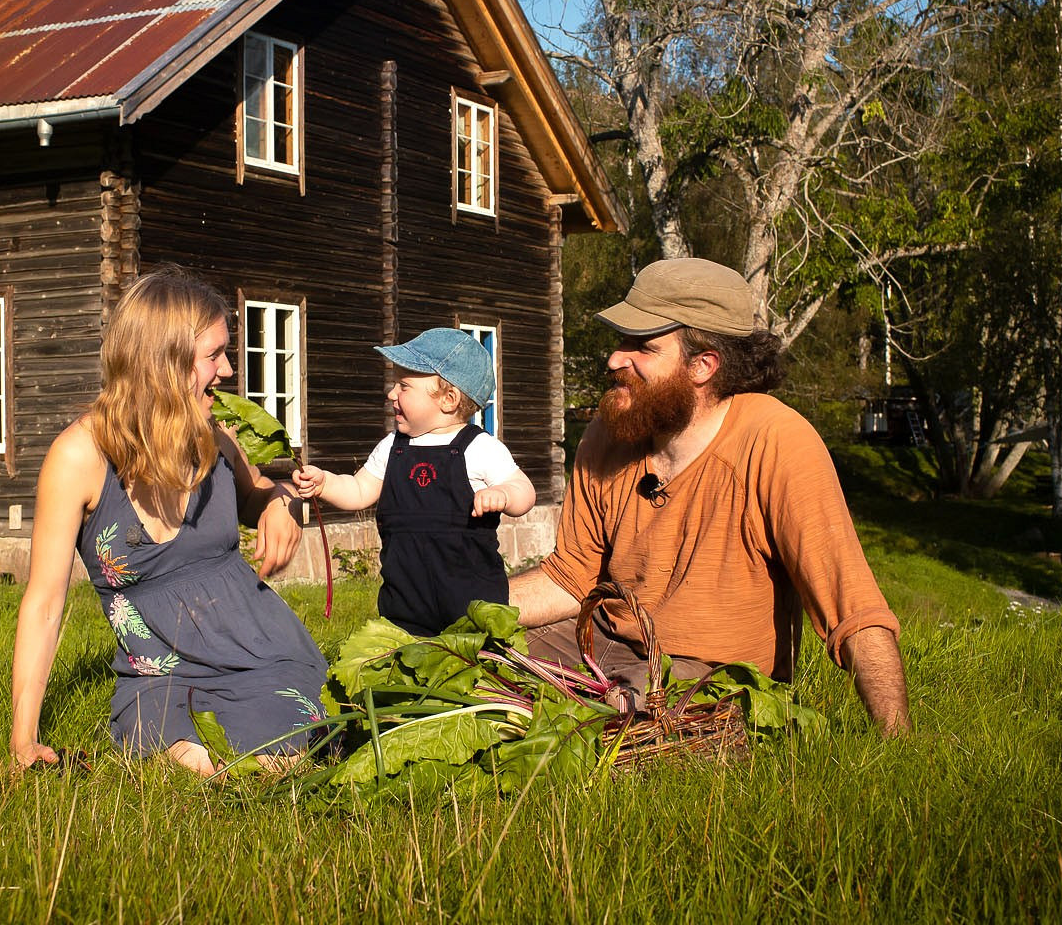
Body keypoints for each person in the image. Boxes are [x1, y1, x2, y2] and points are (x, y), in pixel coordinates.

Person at [508, 258, 911, 734]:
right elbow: (572, 577)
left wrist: (897, 742)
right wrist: (463, 606)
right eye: (621, 341)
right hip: (605, 640)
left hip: (711, 673)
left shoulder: (775, 441)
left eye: (642, 346)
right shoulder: (609, 432)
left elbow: (853, 608)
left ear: (702, 366)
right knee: (472, 661)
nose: (615, 359)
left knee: (601, 726)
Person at [10, 267, 327, 776]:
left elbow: (264, 494)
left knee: (279, 767)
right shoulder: (79, 457)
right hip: (155, 671)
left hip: (258, 651)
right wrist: (22, 741)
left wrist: (280, 504)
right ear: (163, 363)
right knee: (182, 766)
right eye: (213, 356)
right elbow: (45, 604)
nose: (226, 371)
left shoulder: (216, 435)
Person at [291, 328, 536, 636]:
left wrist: (503, 493)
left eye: (404, 386)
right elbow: (358, 490)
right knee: (405, 673)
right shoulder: (393, 446)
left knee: (476, 675)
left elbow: (524, 490)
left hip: (473, 605)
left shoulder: (479, 447)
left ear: (448, 400)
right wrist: (325, 483)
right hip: (403, 604)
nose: (391, 393)